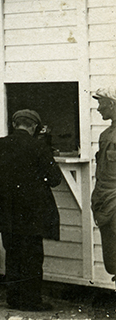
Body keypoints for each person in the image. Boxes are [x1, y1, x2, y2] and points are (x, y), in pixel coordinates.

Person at [0, 108, 62, 312]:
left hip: (6, 209)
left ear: (15, 125)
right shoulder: (39, 147)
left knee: (12, 253)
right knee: (32, 255)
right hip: (32, 211)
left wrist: (3, 179)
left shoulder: (0, 144)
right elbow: (55, 179)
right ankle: (31, 301)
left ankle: (14, 298)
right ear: (33, 127)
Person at [94, 87, 116, 283]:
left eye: (101, 103)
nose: (98, 108)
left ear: (112, 104)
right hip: (104, 202)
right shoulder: (105, 135)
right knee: (112, 260)